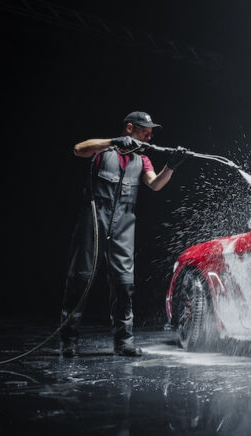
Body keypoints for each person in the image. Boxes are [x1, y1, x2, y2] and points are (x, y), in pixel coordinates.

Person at [60, 111, 187, 357]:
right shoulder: (103, 151)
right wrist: (112, 143)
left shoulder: (142, 160)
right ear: (129, 128)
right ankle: (69, 341)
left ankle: (123, 342)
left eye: (151, 133)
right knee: (81, 278)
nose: (149, 137)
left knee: (124, 284)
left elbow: (155, 184)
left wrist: (171, 166)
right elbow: (78, 149)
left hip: (124, 223)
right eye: (145, 131)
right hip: (95, 218)